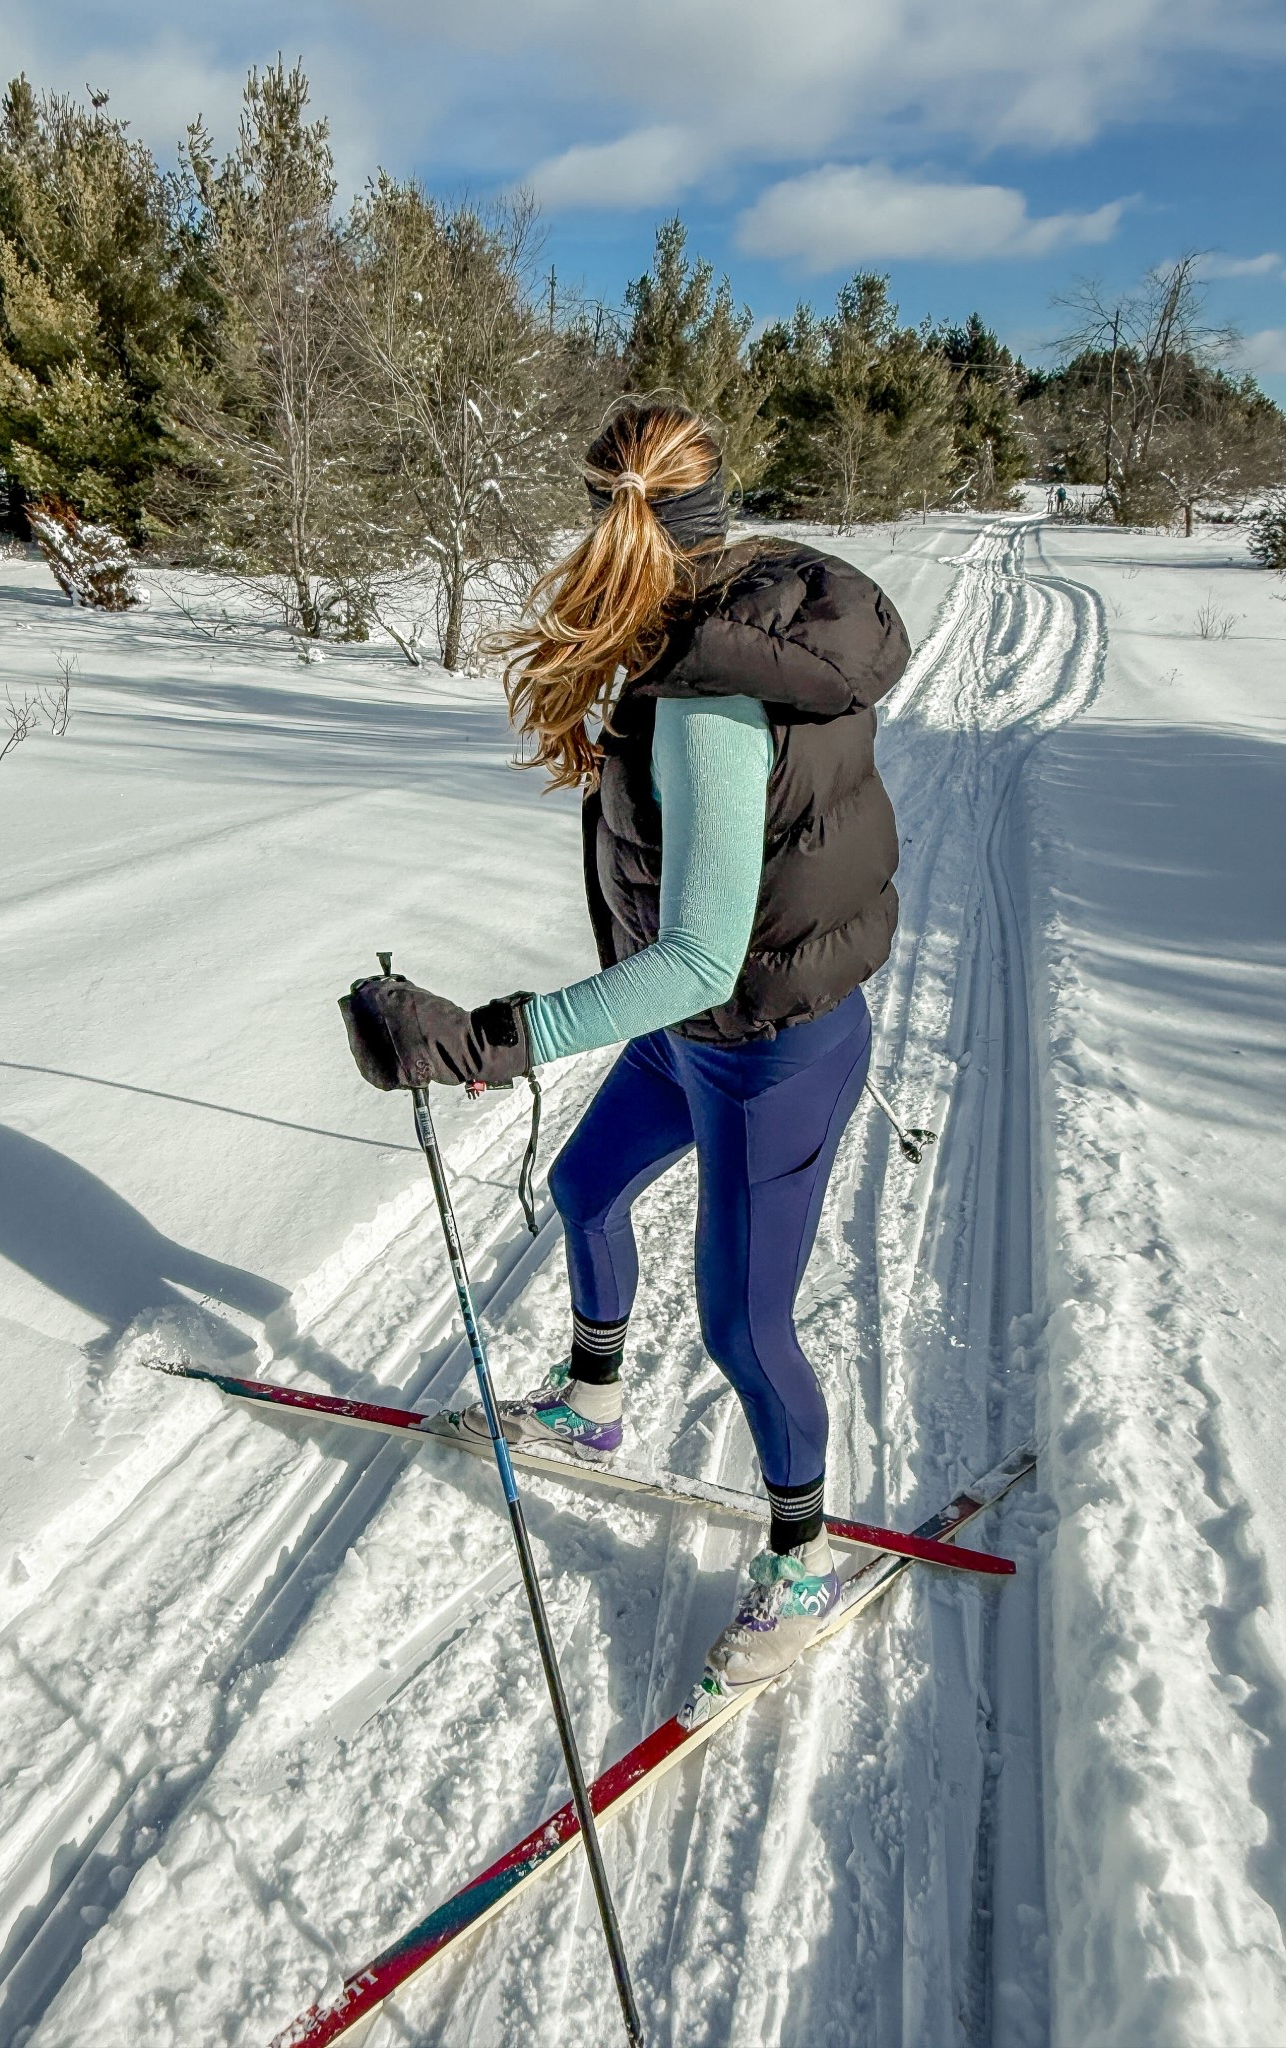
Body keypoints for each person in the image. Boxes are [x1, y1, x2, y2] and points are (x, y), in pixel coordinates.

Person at [341, 400, 911, 1704]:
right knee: (584, 1188)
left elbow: (703, 958)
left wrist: (495, 1040)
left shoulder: (716, 691)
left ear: (620, 516)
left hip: (768, 1047)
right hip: (693, 1037)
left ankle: (803, 1566)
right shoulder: (727, 621)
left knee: (744, 1326)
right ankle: (591, 1405)